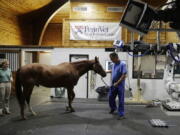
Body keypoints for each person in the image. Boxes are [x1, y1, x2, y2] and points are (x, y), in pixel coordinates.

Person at [106, 52, 127, 120]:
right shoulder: (113, 64)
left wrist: (117, 83)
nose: (111, 60)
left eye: (112, 59)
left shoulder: (122, 64)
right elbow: (112, 71)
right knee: (110, 97)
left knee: (121, 100)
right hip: (113, 84)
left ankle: (121, 114)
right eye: (110, 59)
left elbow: (124, 75)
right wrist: (105, 71)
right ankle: (113, 108)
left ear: (116, 57)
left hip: (120, 85)